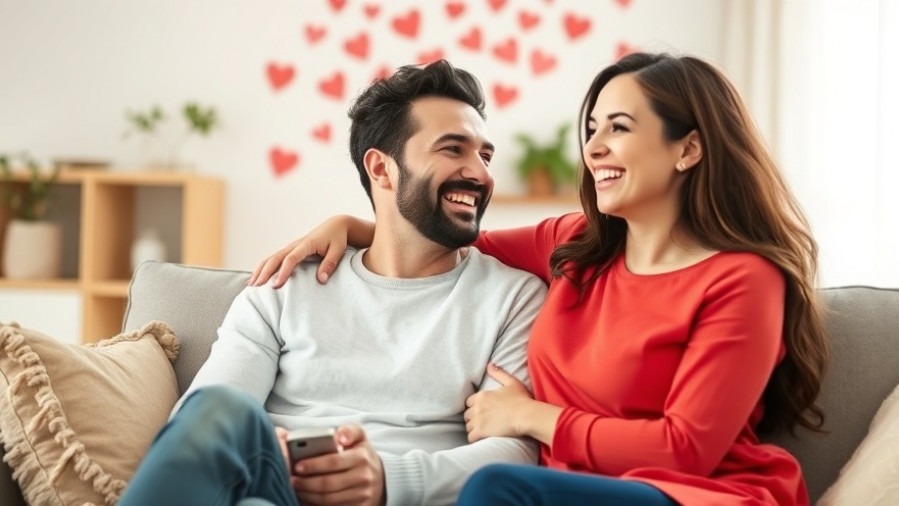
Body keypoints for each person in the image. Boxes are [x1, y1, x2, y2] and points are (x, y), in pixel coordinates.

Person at [249, 52, 830, 505]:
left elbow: (685, 450)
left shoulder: (744, 280)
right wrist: (352, 225)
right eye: (592, 129)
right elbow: (444, 236)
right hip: (571, 489)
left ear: (689, 149)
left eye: (619, 128)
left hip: (694, 494)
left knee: (494, 489)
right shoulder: (575, 244)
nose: (594, 148)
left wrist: (531, 418)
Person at [119, 59, 546, 506]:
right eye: (453, 149)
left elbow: (514, 449)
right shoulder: (285, 285)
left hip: (401, 496)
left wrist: (388, 478)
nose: (480, 173)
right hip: (278, 484)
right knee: (218, 413)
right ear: (381, 169)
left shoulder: (513, 297)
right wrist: (276, 453)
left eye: (485, 155)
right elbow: (207, 418)